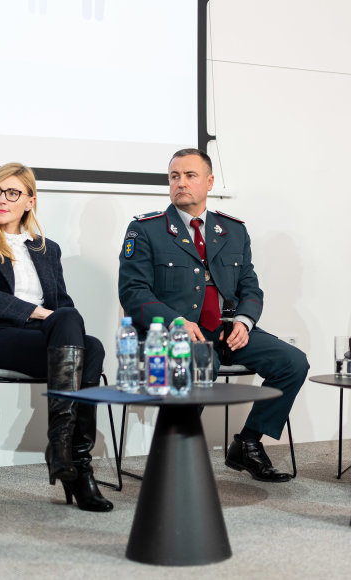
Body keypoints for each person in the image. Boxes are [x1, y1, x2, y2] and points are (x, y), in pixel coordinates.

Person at [118, 148, 309, 483]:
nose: (181, 183)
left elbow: (251, 287)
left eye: (190, 175)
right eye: (174, 176)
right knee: (200, 363)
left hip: (227, 332)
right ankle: (177, 454)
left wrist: (244, 323)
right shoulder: (145, 230)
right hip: (178, 335)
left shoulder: (232, 230)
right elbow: (134, 294)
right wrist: (175, 320)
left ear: (209, 182)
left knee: (293, 362)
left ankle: (248, 443)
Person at [0, 162, 112, 512]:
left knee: (91, 346)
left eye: (13, 193)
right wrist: (38, 313)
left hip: (38, 338)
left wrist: (56, 317)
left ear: (30, 201)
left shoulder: (47, 249)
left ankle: (71, 456)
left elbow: (62, 305)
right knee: (72, 329)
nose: (1, 199)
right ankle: (71, 461)